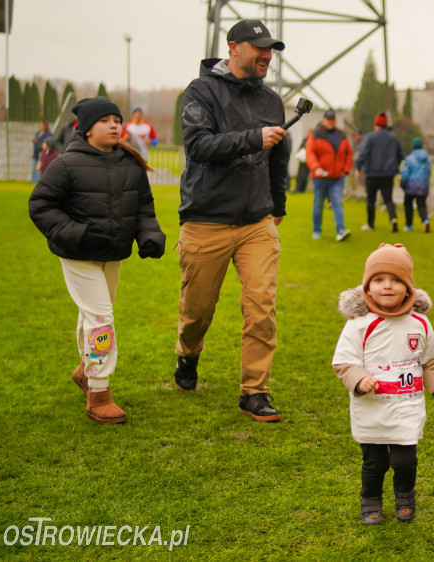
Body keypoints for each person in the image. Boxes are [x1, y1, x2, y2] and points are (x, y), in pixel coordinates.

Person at [174, 19, 290, 422]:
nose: (266, 56)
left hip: (257, 222)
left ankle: (254, 391)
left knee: (261, 306)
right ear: (233, 47)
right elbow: (199, 145)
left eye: (271, 50)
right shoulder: (200, 91)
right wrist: (253, 138)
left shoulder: (272, 101)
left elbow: (278, 157)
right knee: (197, 311)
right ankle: (187, 354)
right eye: (260, 48)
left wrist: (278, 203)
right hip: (206, 220)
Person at [28, 96, 166, 425]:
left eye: (116, 120)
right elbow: (40, 206)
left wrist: (149, 235)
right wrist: (76, 234)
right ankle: (99, 392)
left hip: (112, 253)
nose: (114, 125)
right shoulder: (65, 165)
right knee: (101, 319)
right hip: (78, 256)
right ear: (87, 128)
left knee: (93, 314)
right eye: (105, 120)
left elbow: (144, 208)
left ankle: (84, 370)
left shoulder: (130, 163)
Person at [332, 243, 434, 525]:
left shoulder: (419, 323)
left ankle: (405, 495)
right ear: (367, 287)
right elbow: (344, 362)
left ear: (409, 288)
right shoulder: (359, 324)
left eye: (396, 280)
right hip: (372, 408)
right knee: (375, 463)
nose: (387, 286)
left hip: (406, 407)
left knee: (404, 461)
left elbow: (432, 361)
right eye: (378, 279)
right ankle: (371, 500)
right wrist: (359, 379)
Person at [307, 110, 354, 241]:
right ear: (323, 120)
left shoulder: (342, 135)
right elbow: (310, 153)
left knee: (337, 202)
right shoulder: (316, 135)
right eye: (328, 119)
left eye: (332, 119)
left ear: (335, 121)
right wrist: (316, 167)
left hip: (337, 177)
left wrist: (346, 169)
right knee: (319, 204)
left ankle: (341, 230)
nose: (330, 122)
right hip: (320, 177)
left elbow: (349, 153)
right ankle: (317, 230)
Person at [355, 111, 403, 232]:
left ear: (376, 124)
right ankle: (393, 219)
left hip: (372, 174)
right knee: (388, 199)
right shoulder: (393, 138)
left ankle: (370, 224)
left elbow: (363, 153)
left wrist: (358, 166)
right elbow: (400, 155)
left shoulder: (371, 137)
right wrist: (394, 167)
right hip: (388, 174)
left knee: (371, 199)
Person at [400, 137, 431, 232]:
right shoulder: (427, 159)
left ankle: (409, 225)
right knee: (421, 205)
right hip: (423, 184)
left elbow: (405, 173)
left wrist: (402, 184)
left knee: (408, 204)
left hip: (411, 184)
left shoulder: (409, 158)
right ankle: (425, 221)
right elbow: (429, 172)